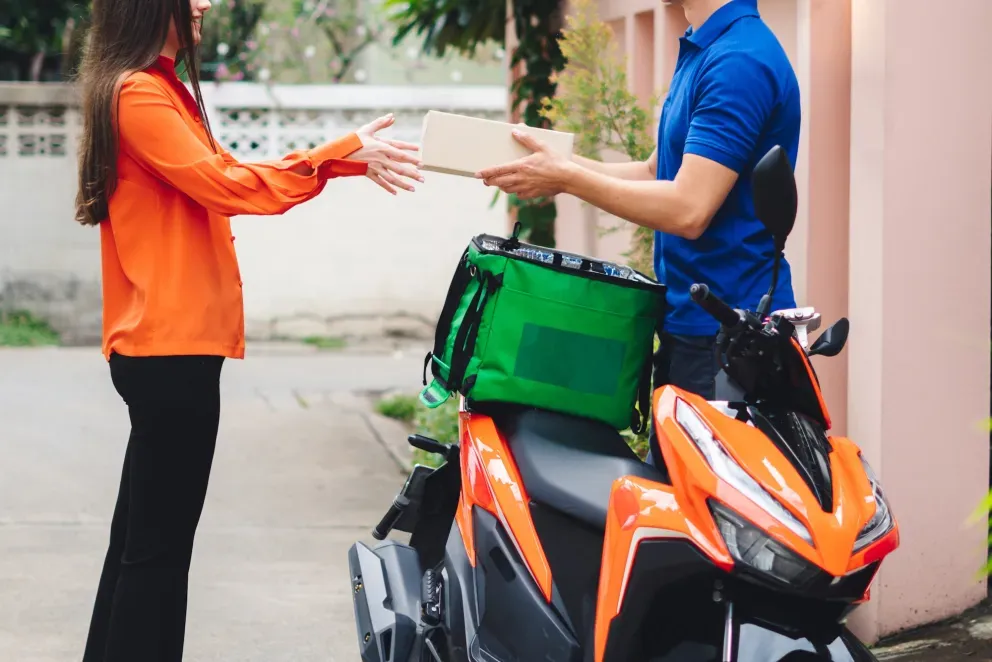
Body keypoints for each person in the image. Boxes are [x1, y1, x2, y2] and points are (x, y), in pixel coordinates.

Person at [75, 1, 422, 660]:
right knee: (156, 552)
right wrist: (338, 152)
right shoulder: (140, 94)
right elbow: (225, 184)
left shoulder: (158, 88)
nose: (204, 3)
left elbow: (230, 172)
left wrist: (344, 160)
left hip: (171, 349)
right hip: (169, 350)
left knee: (139, 542)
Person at [476, 0, 800, 463]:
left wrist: (566, 179)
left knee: (704, 525)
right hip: (693, 327)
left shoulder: (738, 61)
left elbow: (689, 208)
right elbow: (656, 172)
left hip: (727, 340)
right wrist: (555, 164)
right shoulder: (707, 46)